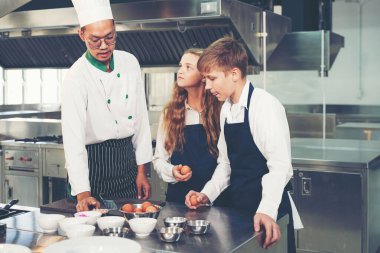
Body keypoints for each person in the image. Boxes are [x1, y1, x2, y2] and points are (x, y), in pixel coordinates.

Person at [184, 37, 303, 252]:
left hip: (269, 211)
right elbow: (226, 164)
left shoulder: (264, 106)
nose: (208, 86)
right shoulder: (226, 110)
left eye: (212, 78)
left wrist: (267, 210)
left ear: (234, 74)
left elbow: (280, 167)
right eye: (205, 79)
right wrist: (207, 194)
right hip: (240, 210)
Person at [62, 0, 152, 212]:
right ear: (81, 35)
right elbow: (73, 140)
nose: (104, 46)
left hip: (126, 164)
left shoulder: (130, 63)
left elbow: (141, 119)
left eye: (109, 38)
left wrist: (143, 170)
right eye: (95, 40)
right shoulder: (76, 77)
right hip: (94, 168)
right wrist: (83, 193)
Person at [153, 48, 229, 205]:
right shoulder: (170, 113)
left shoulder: (222, 110)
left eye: (188, 67)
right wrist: (172, 172)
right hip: (178, 201)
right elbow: (159, 159)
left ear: (203, 76)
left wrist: (207, 194)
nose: (180, 71)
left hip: (218, 200)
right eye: (180, 66)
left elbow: (228, 163)